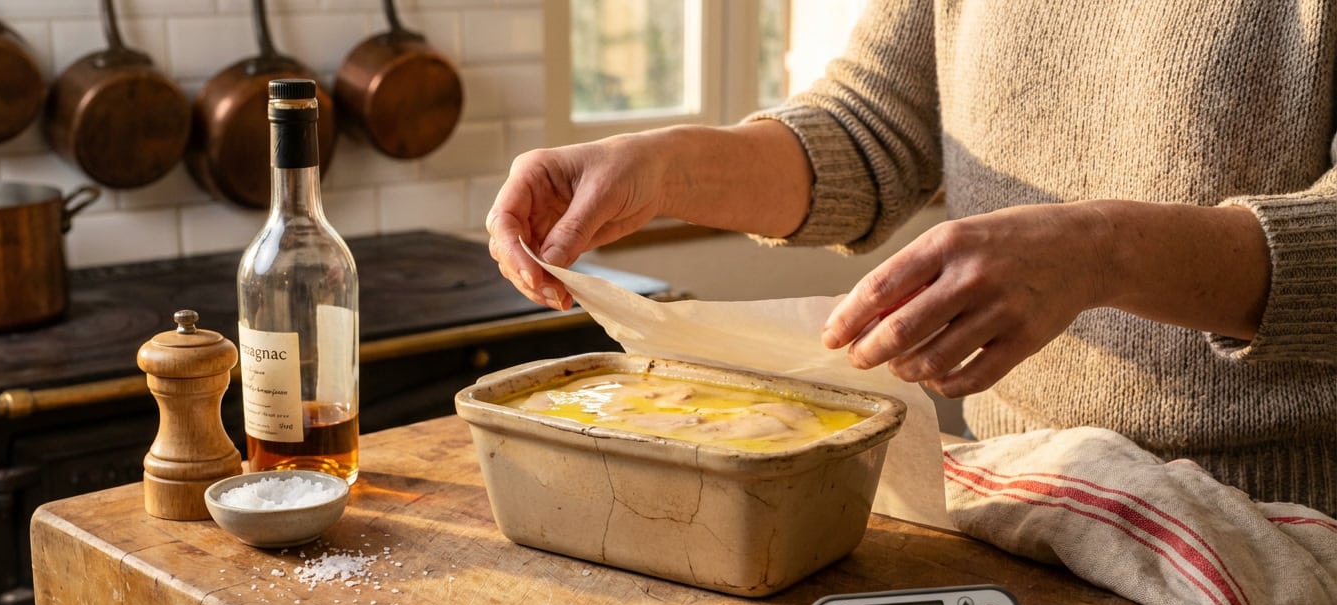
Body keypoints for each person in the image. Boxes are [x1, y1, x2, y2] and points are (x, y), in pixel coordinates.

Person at [486, 1, 1337, 515]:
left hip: (1282, 519)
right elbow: (870, 127)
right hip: (1023, 491)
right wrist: (667, 168)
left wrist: (1101, 251)